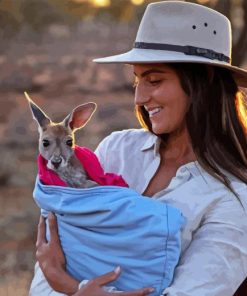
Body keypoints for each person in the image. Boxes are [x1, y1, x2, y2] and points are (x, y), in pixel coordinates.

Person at [29, 1, 247, 296]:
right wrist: (55, 278)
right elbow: (50, 261)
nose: (139, 97)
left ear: (204, 81)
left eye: (154, 80)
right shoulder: (117, 150)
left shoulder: (233, 198)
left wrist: (67, 284)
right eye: (137, 80)